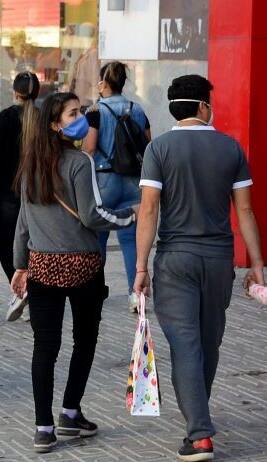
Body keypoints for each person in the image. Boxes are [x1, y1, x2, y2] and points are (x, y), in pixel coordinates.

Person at [134, 75, 265, 462]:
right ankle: (199, 417)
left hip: (175, 260)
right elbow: (244, 211)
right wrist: (257, 265)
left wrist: (140, 266)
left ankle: (200, 434)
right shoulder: (229, 148)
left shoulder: (158, 149)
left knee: (186, 345)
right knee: (208, 343)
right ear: (204, 106)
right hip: (218, 260)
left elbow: (149, 209)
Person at [11, 92, 137, 454]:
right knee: (84, 341)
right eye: (73, 113)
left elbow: (23, 221)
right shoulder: (80, 163)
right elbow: (92, 215)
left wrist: (21, 263)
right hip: (83, 264)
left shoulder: (29, 164)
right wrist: (130, 215)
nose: (81, 117)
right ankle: (70, 411)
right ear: (55, 124)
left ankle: (43, 427)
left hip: (42, 266)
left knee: (44, 348)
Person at [83, 62, 152, 313]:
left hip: (104, 181)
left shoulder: (95, 112)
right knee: (132, 240)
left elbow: (89, 149)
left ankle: (94, 290)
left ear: (104, 83)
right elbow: (148, 145)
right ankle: (136, 295)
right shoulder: (137, 109)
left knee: (97, 237)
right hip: (133, 181)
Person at [0, 72, 40, 321]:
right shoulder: (42, 118)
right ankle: (31, 292)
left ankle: (19, 290)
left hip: (9, 193)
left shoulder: (5, 118)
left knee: (8, 246)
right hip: (38, 192)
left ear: (14, 92)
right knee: (34, 244)